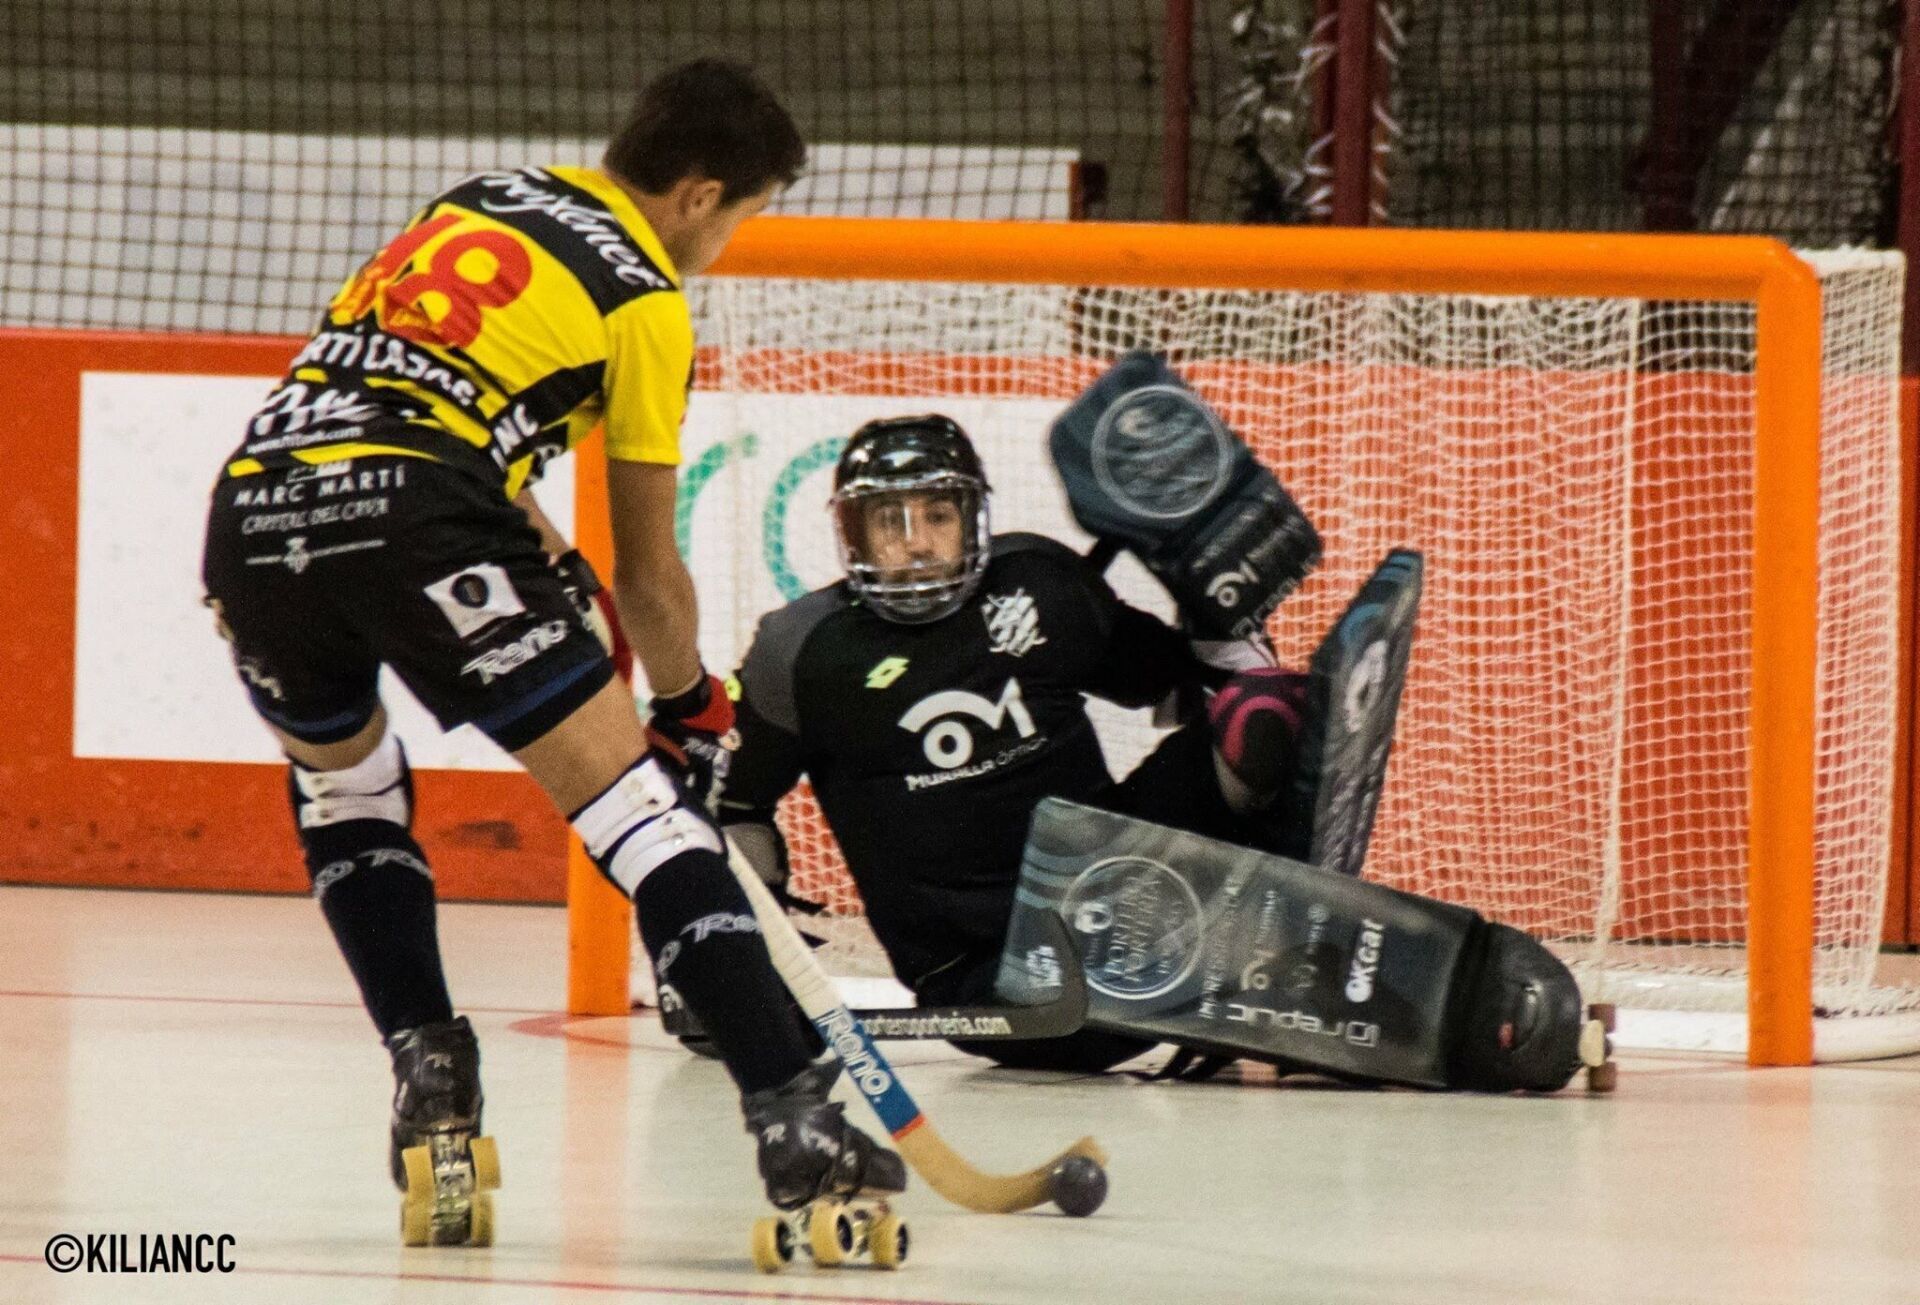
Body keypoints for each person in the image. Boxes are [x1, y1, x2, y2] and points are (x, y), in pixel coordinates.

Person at [199, 58, 902, 1240]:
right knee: (641, 816)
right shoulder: (646, 300)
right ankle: (794, 1117)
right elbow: (649, 574)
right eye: (740, 216)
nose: (725, 243)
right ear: (698, 194)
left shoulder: (486, 197)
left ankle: (430, 1073)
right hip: (419, 509)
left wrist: (543, 551)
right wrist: (690, 704)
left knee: (345, 789)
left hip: (256, 508)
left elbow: (416, 393)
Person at [716, 414, 1313, 1074]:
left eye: (937, 516)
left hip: (1119, 888)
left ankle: (1297, 936)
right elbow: (734, 808)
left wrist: (1204, 592)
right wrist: (746, 974)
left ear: (973, 518)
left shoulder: (1039, 580)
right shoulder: (800, 653)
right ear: (852, 533)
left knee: (1265, 713)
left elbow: (1180, 685)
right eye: (890, 521)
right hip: (987, 974)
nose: (916, 543)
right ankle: (1241, 970)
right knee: (1102, 1011)